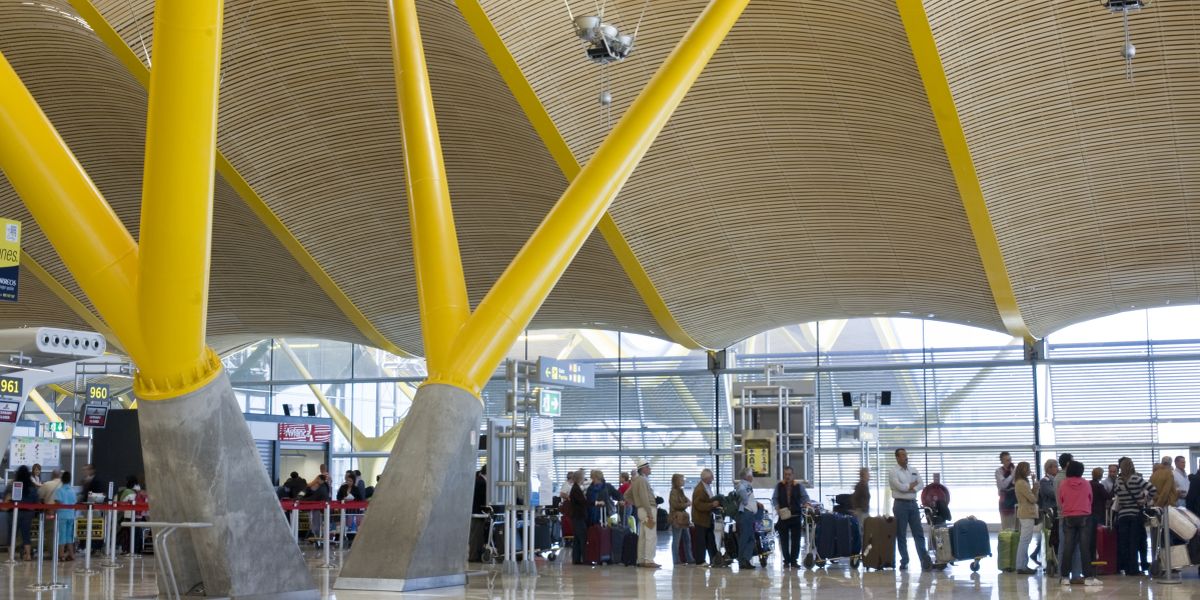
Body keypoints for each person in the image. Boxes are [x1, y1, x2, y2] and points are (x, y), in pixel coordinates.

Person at [1058, 460, 1102, 586]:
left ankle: (1065, 577)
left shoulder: (1063, 484)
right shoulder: (1086, 483)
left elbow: (1061, 499)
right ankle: (1088, 578)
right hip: (1084, 516)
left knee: (1068, 547)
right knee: (1084, 548)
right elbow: (1090, 498)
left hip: (1068, 516)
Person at [889, 448, 932, 571]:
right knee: (901, 534)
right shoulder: (893, 471)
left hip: (913, 504)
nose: (905, 457)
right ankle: (904, 561)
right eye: (902, 455)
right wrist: (911, 486)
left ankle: (924, 560)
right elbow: (900, 487)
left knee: (918, 533)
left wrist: (910, 488)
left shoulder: (913, 470)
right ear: (897, 457)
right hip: (900, 505)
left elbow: (921, 484)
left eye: (906, 454)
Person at [1113, 457, 1155, 575]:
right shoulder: (1136, 479)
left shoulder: (1118, 481)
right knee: (1134, 542)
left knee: (1124, 543)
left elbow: (1116, 494)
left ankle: (1126, 568)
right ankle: (1134, 569)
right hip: (1135, 514)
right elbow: (1152, 489)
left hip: (1122, 514)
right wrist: (1145, 499)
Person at [772, 465, 809, 568]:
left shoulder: (799, 486)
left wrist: (806, 503)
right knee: (783, 540)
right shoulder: (779, 486)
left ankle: (794, 561)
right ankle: (786, 560)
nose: (787, 476)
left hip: (796, 516)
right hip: (783, 517)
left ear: (793, 475)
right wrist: (777, 508)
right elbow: (774, 499)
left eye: (789, 474)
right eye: (785, 474)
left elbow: (805, 498)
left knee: (796, 540)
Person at [627, 460, 660, 568]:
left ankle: (641, 559)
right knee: (651, 535)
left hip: (641, 510)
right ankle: (649, 560)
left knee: (643, 536)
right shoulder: (642, 480)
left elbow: (626, 495)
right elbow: (645, 498)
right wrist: (649, 513)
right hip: (648, 509)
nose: (650, 469)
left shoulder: (636, 481)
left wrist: (636, 504)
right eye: (648, 467)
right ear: (644, 468)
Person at [690, 468, 725, 567]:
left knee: (710, 539)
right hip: (700, 519)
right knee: (701, 540)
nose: (713, 479)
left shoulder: (707, 487)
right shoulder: (699, 489)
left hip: (707, 518)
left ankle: (714, 559)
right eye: (711, 477)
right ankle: (700, 560)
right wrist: (712, 505)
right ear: (706, 478)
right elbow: (698, 505)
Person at [1013, 461, 1039, 574]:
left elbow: (1030, 494)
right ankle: (1021, 566)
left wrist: (1034, 483)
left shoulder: (1022, 482)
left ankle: (1022, 565)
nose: (1029, 471)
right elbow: (1033, 499)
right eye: (1027, 469)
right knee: (1024, 541)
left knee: (1025, 540)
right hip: (1027, 513)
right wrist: (1036, 488)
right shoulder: (1022, 483)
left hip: (1025, 513)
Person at [6, 466, 35, 560]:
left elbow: (6, 497)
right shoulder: (31, 486)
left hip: (15, 511)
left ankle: (11, 555)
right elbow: (36, 499)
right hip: (28, 512)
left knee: (12, 533)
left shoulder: (12, 484)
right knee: (26, 533)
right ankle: (28, 555)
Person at [734, 467, 757, 570]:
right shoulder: (742, 485)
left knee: (751, 539)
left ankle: (746, 559)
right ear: (747, 476)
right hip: (745, 514)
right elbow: (743, 495)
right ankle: (742, 561)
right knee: (745, 538)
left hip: (749, 514)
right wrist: (746, 501)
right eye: (751, 474)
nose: (752, 476)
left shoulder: (747, 485)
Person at [668, 473, 694, 566]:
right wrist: (686, 504)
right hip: (677, 519)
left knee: (687, 539)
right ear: (677, 481)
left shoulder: (681, 491)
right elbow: (675, 505)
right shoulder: (673, 492)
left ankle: (689, 558)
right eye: (682, 480)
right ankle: (676, 560)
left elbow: (687, 500)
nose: (684, 481)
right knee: (677, 540)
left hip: (683, 519)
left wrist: (687, 503)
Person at [53, 471, 76, 561]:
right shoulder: (72, 490)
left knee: (62, 535)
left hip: (62, 515)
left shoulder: (59, 490)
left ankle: (61, 554)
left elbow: (58, 502)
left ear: (62, 479)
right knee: (69, 535)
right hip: (71, 515)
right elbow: (74, 502)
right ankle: (71, 554)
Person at [1089, 466, 1110, 567]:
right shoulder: (1099, 486)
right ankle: (1097, 556)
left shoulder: (1088, 484)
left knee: (1090, 537)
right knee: (1097, 536)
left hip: (1089, 513)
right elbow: (1107, 496)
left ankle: (1091, 557)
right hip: (1098, 512)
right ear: (1100, 475)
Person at [568, 470, 589, 565]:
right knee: (582, 537)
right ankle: (585, 558)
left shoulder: (576, 488)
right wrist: (595, 502)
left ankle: (576, 559)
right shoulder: (576, 489)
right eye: (583, 477)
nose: (584, 479)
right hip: (578, 516)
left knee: (577, 539)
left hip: (576, 516)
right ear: (579, 478)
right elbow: (583, 502)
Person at [996, 452, 1017, 531]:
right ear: (1002, 461)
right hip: (1005, 503)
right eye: (1007, 460)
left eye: (1010, 459)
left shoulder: (1014, 469)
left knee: (1016, 527)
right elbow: (1003, 485)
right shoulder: (998, 471)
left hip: (1015, 501)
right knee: (1006, 528)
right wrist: (1012, 475)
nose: (1009, 462)